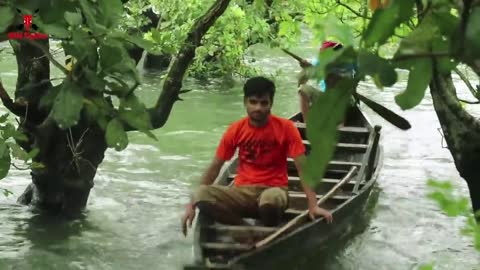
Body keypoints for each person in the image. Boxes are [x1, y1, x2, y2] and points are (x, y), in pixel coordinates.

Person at [181, 76, 333, 236]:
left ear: (271, 104)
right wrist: (191, 206)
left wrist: (313, 205)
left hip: (274, 191)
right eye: (253, 102)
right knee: (200, 194)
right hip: (241, 192)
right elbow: (215, 167)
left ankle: (267, 230)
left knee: (270, 200)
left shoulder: (286, 128)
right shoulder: (236, 129)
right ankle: (244, 230)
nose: (258, 108)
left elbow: (302, 168)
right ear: (245, 102)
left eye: (263, 103)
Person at [297, 41, 350, 123]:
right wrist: (306, 71)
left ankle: (340, 126)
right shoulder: (317, 62)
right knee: (303, 89)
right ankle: (307, 126)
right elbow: (300, 83)